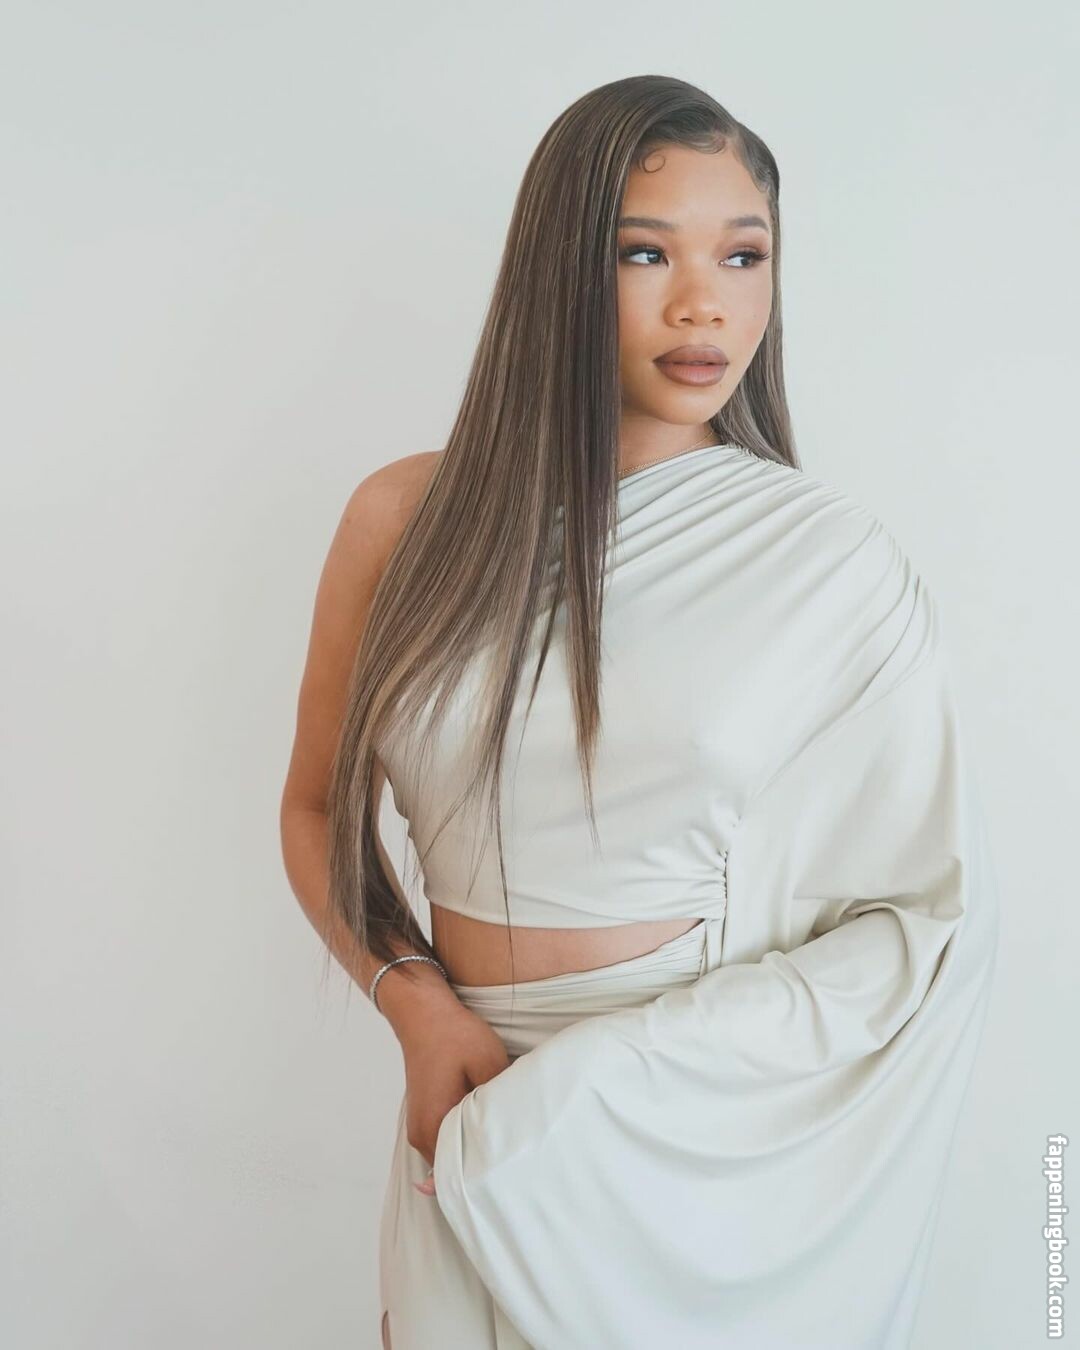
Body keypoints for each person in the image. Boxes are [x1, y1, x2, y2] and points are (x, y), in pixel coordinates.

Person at [279, 75, 1000, 1350]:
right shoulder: (403, 522)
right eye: (646, 252)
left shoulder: (827, 561)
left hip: (686, 1122)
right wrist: (416, 1007)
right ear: (562, 267)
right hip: (457, 1092)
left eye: (743, 255)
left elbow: (922, 921)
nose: (702, 301)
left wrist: (607, 1077)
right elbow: (314, 808)